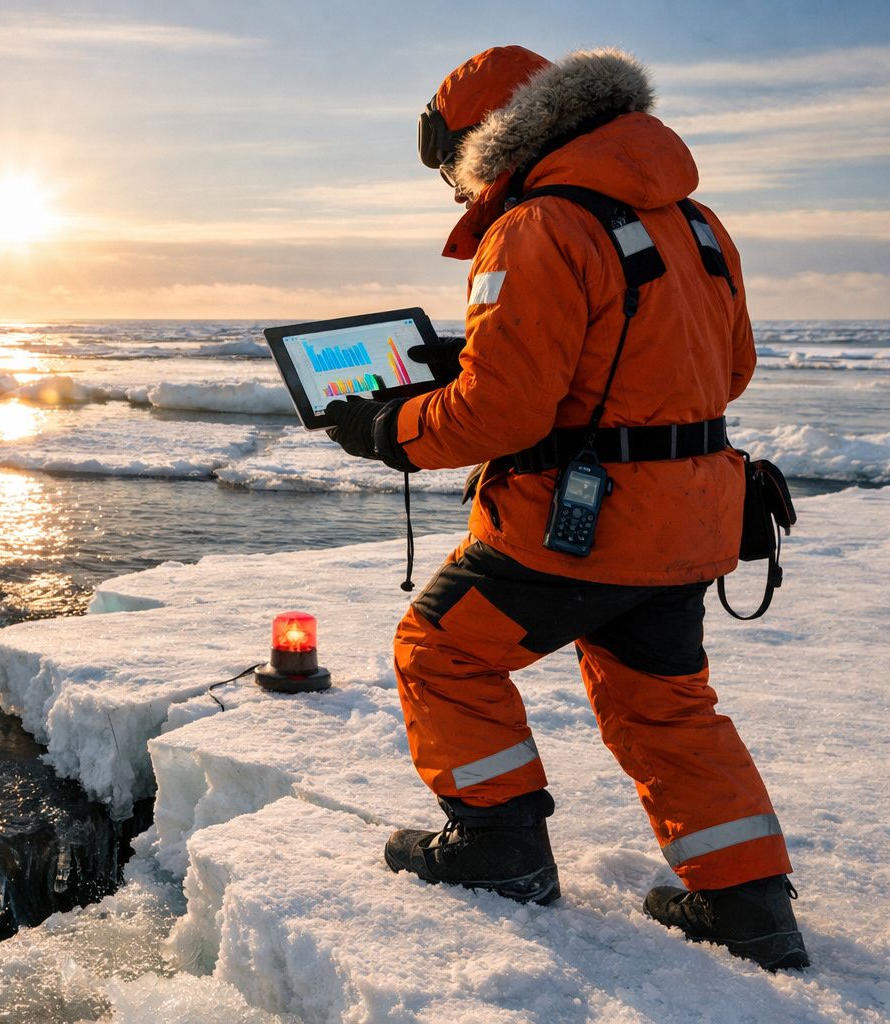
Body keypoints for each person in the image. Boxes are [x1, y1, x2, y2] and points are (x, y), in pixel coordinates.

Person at [322, 46, 808, 971]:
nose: (453, 186)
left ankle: (499, 849)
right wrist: (510, 355)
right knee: (665, 706)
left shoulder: (538, 223)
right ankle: (750, 908)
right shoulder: (697, 223)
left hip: (577, 528)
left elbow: (500, 412)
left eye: (449, 164)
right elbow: (725, 371)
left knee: (442, 651)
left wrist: (392, 430)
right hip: (688, 522)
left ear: (483, 138)